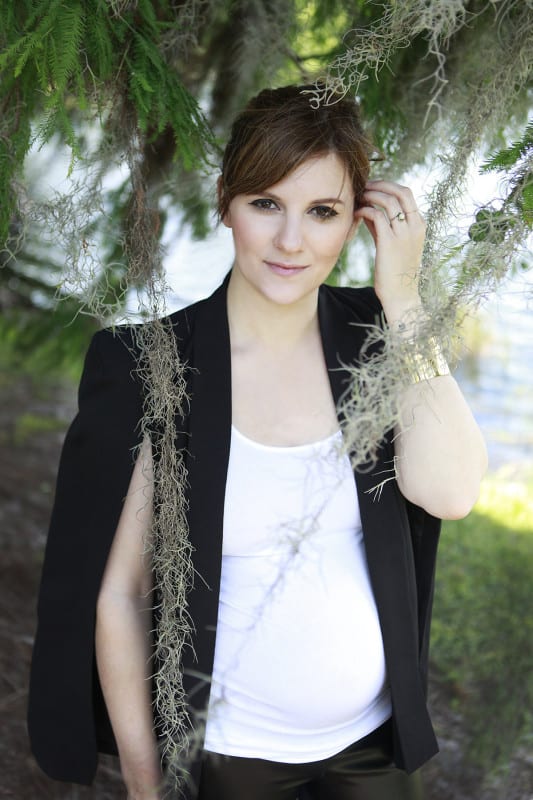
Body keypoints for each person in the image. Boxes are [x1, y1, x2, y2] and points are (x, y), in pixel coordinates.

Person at [28, 85, 488, 800]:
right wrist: (148, 785)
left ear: (356, 221)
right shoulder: (151, 364)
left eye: (322, 211)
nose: (291, 241)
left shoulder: (381, 338)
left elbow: (451, 493)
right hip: (229, 759)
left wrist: (402, 299)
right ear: (225, 202)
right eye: (266, 203)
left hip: (371, 751)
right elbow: (120, 592)